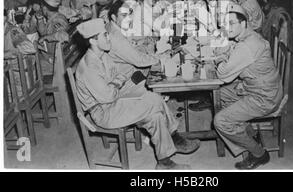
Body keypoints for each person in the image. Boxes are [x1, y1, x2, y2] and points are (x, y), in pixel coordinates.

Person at [75, 18, 200, 170]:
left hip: (114, 98)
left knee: (155, 114)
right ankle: (173, 138)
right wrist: (118, 81)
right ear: (93, 41)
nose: (109, 38)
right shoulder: (89, 67)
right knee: (153, 101)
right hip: (103, 112)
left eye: (108, 34)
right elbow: (108, 95)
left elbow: (124, 73)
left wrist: (118, 81)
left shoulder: (103, 55)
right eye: (105, 36)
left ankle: (164, 161)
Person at [213, 4, 282, 170]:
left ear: (243, 24)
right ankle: (249, 133)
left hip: (264, 98)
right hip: (262, 88)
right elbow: (236, 56)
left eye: (231, 23)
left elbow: (223, 73)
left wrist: (218, 60)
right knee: (221, 93)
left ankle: (259, 154)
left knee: (220, 121)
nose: (226, 27)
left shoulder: (247, 46)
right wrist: (226, 55)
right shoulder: (249, 37)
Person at [37, 0, 69, 75]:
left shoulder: (58, 20)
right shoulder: (53, 17)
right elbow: (44, 32)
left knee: (31, 66)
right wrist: (40, 19)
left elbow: (63, 36)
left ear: (44, 7)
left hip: (55, 60)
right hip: (51, 55)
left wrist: (46, 37)